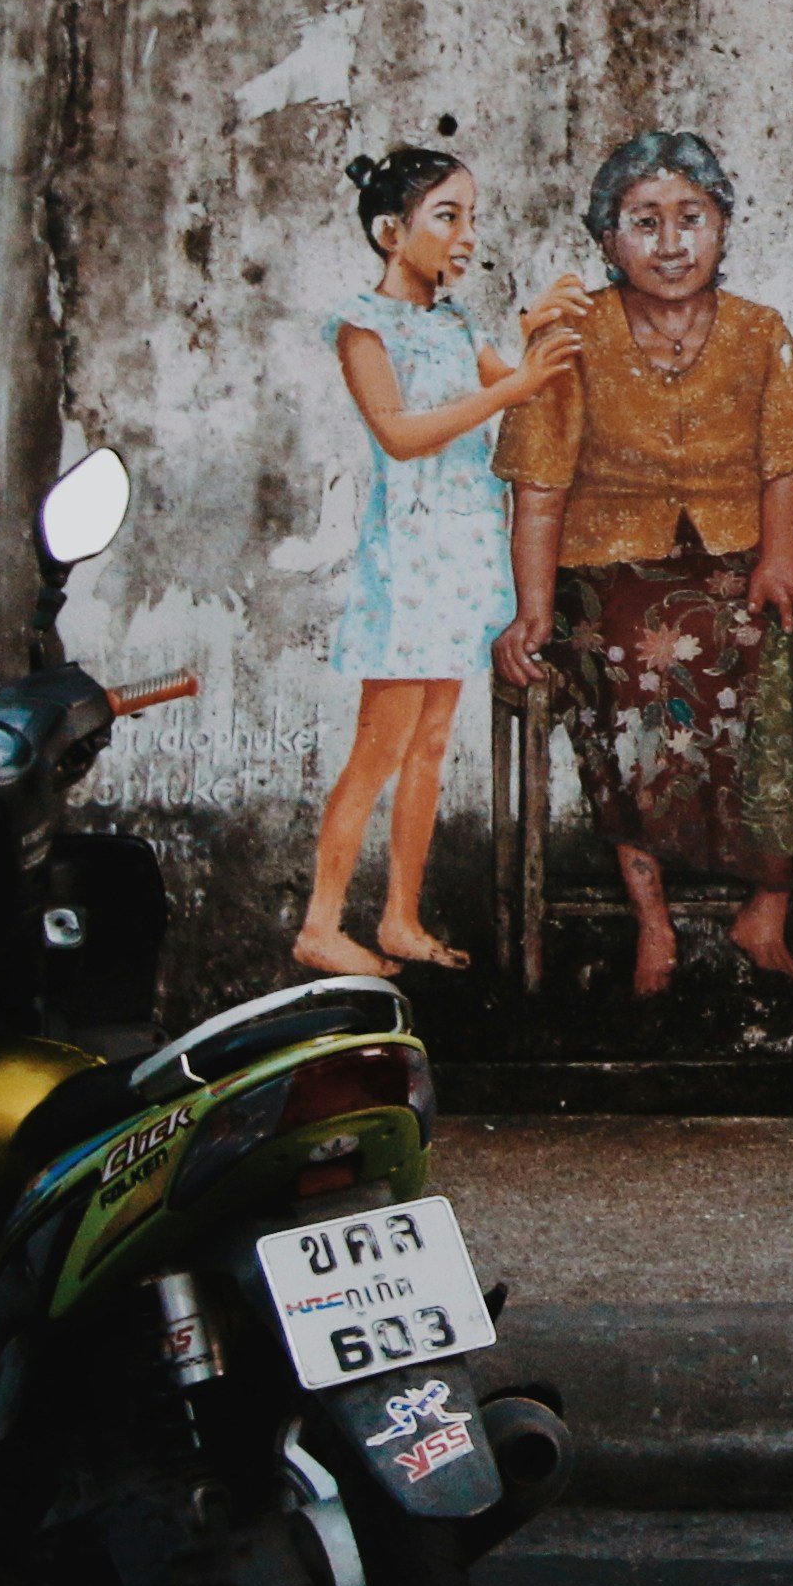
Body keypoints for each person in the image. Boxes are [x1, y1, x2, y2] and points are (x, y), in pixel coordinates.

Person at [494, 131, 793, 991]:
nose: (672, 243)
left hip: (731, 558)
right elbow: (537, 489)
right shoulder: (571, 335)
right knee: (631, 658)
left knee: (786, 636)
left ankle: (767, 905)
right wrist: (532, 609)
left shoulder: (763, 333)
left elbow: (786, 462)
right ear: (607, 240)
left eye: (693, 218)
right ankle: (653, 917)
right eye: (644, 223)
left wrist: (783, 559)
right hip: (605, 568)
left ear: (724, 227)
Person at [299, 145, 571, 982]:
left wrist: (541, 329)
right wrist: (512, 388)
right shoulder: (363, 326)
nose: (464, 237)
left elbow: (515, 376)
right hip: (408, 564)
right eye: (446, 217)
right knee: (378, 748)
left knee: (430, 745)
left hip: (460, 559)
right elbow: (402, 434)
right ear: (391, 231)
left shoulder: (455, 323)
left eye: (470, 219)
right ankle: (319, 923)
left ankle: (400, 915)